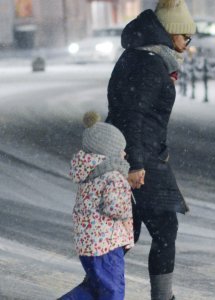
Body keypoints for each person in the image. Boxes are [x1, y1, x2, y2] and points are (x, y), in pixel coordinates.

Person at [105, 1, 196, 299]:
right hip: (139, 161)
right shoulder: (149, 63)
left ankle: (100, 290)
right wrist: (136, 165)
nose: (186, 45)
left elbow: (128, 112)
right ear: (171, 34)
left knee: (127, 234)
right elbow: (133, 115)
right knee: (162, 229)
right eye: (186, 37)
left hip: (134, 155)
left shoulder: (139, 56)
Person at [58, 111, 134, 300]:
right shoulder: (113, 176)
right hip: (106, 244)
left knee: (94, 289)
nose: (124, 154)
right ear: (108, 152)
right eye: (120, 150)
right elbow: (115, 207)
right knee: (113, 290)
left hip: (88, 244)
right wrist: (127, 205)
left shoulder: (88, 174)